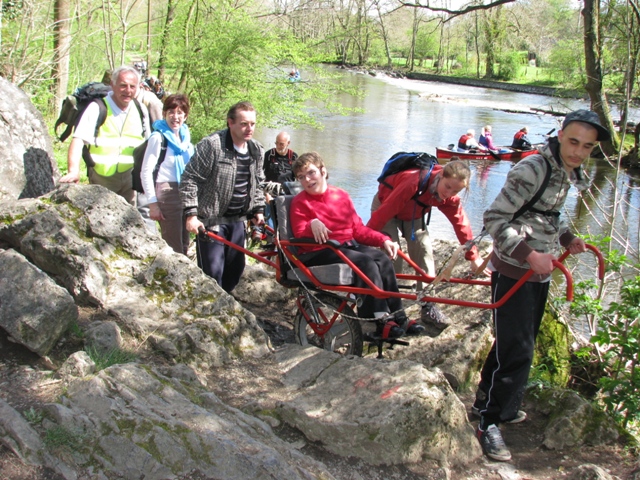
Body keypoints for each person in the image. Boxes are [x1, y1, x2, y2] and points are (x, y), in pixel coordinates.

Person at [474, 110, 610, 462]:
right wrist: (526, 253)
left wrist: (567, 237)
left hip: (540, 269)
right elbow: (494, 218)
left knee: (516, 343)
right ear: (561, 134)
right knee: (519, 349)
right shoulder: (532, 168)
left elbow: (549, 212)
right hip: (514, 269)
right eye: (574, 142)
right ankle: (489, 422)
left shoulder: (567, 170)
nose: (579, 152)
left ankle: (485, 403)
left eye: (588, 147)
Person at [290, 152, 424, 339]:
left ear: (323, 171)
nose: (307, 180)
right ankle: (375, 321)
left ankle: (398, 315)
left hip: (345, 247)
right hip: (318, 251)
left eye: (311, 173)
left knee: (382, 259)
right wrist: (311, 224)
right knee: (364, 262)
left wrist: (383, 240)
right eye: (301, 177)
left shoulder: (341, 195)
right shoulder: (299, 202)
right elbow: (298, 233)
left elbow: (358, 230)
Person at [367, 159, 485, 328]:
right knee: (393, 255)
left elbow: (460, 222)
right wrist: (361, 239)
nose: (449, 193)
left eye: (456, 190)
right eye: (448, 187)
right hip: (387, 207)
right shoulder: (413, 182)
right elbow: (384, 213)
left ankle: (428, 304)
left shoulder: (449, 196)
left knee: (424, 251)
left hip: (414, 214)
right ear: (441, 175)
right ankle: (390, 307)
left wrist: (473, 256)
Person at [180, 101, 265, 293]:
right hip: (211, 222)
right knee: (212, 275)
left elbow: (258, 183)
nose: (249, 128)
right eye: (244, 124)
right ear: (230, 122)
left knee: (235, 271)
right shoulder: (212, 146)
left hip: (238, 222)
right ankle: (207, 315)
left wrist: (258, 209)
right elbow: (189, 179)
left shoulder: (256, 150)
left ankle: (224, 309)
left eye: (252, 124)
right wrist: (191, 215)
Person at [59, 66, 150, 206]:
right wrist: (73, 171)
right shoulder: (98, 108)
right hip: (102, 177)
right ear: (112, 85)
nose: (128, 91)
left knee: (128, 222)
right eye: (123, 86)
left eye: (132, 86)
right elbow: (78, 140)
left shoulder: (140, 109)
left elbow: (147, 143)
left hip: (129, 177)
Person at [141, 94, 194, 255]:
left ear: (185, 116)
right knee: (173, 246)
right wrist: (153, 204)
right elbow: (145, 171)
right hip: (167, 193)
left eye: (179, 113)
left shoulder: (185, 139)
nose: (175, 117)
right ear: (164, 113)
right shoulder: (158, 138)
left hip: (186, 192)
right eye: (171, 112)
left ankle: (186, 278)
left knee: (185, 242)